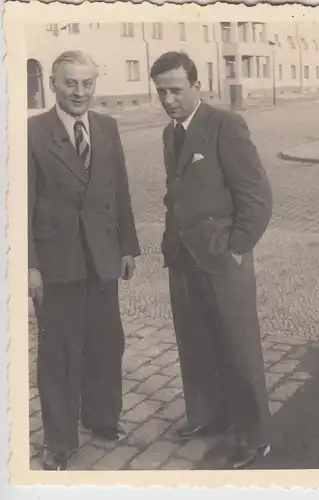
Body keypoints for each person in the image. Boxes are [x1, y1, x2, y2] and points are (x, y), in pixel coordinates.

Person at [150, 51, 273, 469]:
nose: (169, 100)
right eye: (162, 91)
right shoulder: (170, 133)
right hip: (184, 256)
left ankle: (254, 436)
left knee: (237, 348)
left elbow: (256, 196)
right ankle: (209, 416)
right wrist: (172, 242)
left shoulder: (225, 124)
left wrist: (238, 246)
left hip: (223, 257)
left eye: (176, 90)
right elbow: (176, 193)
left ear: (196, 85)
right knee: (196, 341)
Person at [28, 51, 140, 470]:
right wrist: (29, 264)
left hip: (103, 257)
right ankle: (58, 442)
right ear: (54, 84)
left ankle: (102, 418)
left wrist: (127, 246)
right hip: (57, 263)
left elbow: (121, 190)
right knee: (59, 351)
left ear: (96, 84)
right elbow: (20, 204)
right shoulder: (32, 132)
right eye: (70, 83)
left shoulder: (107, 127)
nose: (79, 92)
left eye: (87, 83)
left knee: (106, 341)